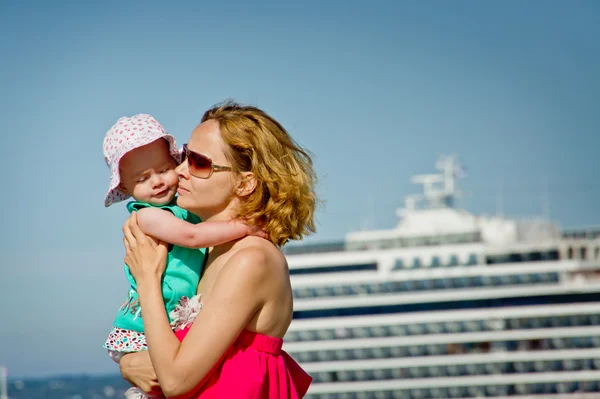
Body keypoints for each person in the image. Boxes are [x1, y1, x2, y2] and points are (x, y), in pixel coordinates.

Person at [120, 102, 317, 398]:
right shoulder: (212, 252)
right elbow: (171, 359)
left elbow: (175, 381)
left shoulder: (252, 258)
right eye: (184, 156)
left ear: (245, 184)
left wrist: (147, 278)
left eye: (198, 162)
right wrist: (129, 363)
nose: (180, 170)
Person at [102, 113, 265, 399]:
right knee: (154, 382)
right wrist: (246, 225)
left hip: (168, 313)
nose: (158, 182)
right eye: (143, 178)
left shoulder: (184, 209)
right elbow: (193, 237)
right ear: (126, 190)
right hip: (146, 321)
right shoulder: (148, 217)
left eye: (164, 169)